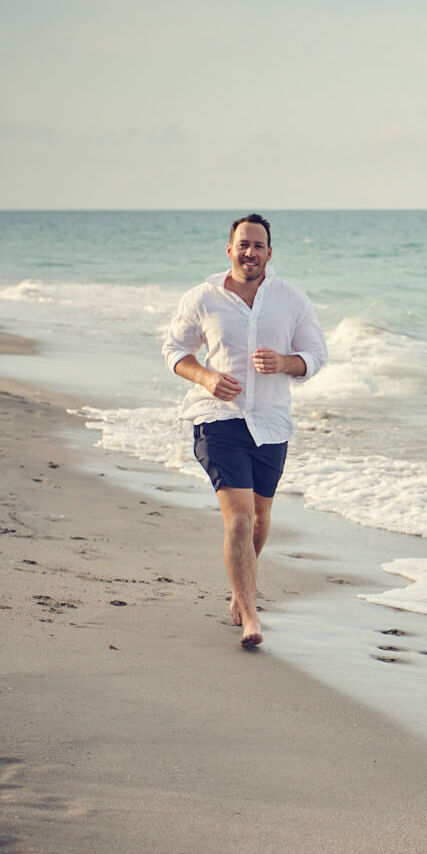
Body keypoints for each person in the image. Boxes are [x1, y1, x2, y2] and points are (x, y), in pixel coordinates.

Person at [163, 214, 328, 648]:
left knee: (260, 519)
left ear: (270, 253)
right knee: (238, 518)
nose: (250, 252)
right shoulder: (203, 298)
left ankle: (241, 589)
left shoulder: (292, 300)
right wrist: (205, 378)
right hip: (218, 420)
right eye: (243, 244)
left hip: (271, 423)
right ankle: (251, 615)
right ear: (229, 249)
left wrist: (285, 363)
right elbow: (174, 350)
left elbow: (315, 354)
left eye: (258, 245)